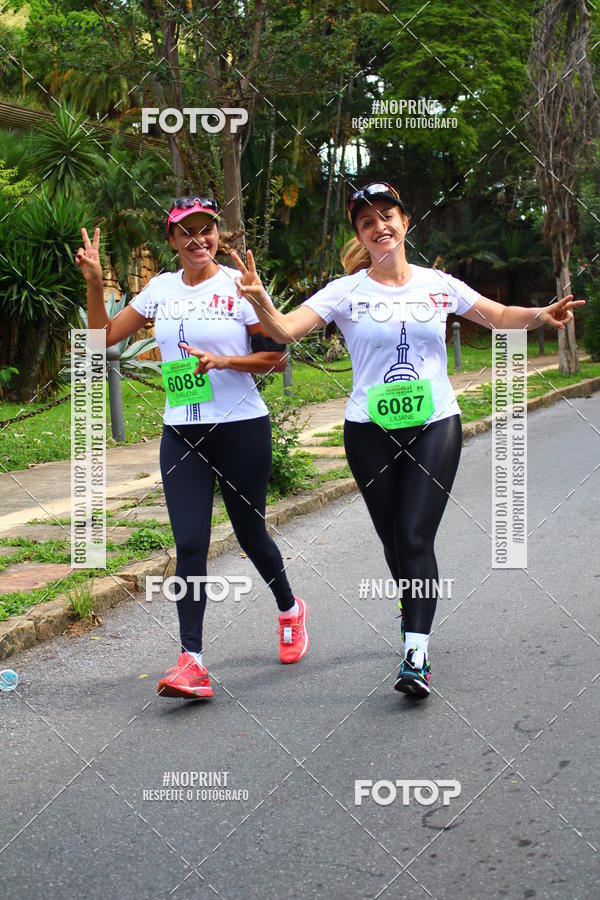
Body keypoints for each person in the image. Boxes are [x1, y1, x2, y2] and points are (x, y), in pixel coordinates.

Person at [230, 181, 584, 700]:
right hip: (368, 430)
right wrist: (260, 299)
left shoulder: (438, 285)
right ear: (361, 235)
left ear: (405, 222)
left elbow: (497, 315)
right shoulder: (344, 292)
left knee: (415, 534)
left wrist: (540, 315)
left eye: (387, 216)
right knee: (394, 538)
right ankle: (413, 601)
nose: (379, 227)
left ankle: (415, 651)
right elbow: (284, 332)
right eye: (367, 221)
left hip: (434, 421)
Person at [74, 197, 309, 701]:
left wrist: (225, 361)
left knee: (251, 535)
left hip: (241, 428)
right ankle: (193, 661)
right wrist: (95, 282)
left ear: (218, 234)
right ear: (173, 240)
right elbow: (101, 343)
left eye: (207, 230)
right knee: (189, 545)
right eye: (186, 232)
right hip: (181, 432)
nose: (198, 240)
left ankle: (290, 609)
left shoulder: (237, 286)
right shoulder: (159, 290)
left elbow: (276, 359)